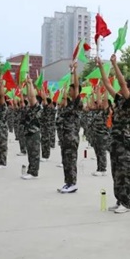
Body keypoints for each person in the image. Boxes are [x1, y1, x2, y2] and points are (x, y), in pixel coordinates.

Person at [98, 54, 130, 213]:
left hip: (124, 141)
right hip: (115, 141)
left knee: (125, 172)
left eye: (126, 85)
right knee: (116, 171)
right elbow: (107, 84)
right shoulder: (119, 100)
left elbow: (120, 81)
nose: (122, 86)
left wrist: (115, 64)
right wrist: (101, 66)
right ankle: (119, 198)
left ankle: (126, 202)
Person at [57, 65, 81, 193]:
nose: (69, 92)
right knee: (65, 160)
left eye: (70, 90)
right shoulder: (69, 104)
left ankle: (73, 183)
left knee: (70, 160)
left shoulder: (76, 103)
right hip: (65, 136)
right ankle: (67, 182)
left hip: (71, 137)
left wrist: (74, 71)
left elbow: (76, 86)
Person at [21, 77, 43, 180]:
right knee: (30, 153)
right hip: (29, 132)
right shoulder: (31, 108)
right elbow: (30, 97)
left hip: (34, 132)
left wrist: (30, 83)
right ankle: (31, 170)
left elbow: (32, 96)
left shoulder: (37, 107)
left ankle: (34, 172)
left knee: (34, 153)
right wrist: (28, 85)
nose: (29, 99)